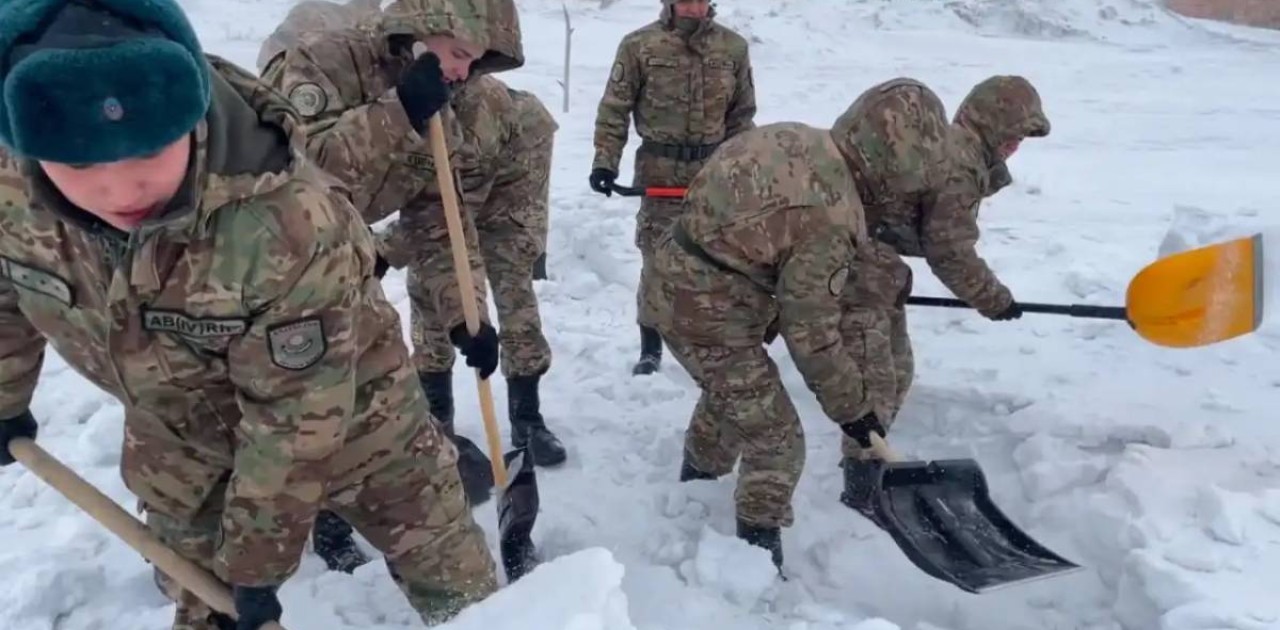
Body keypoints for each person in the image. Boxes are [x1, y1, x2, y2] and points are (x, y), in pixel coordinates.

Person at [0, 0, 498, 628]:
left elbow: (295, 419)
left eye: (151, 151)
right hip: (182, 442)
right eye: (79, 164)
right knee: (205, 605)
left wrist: (256, 567)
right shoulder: (10, 186)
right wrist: (5, 396)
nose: (121, 192)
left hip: (357, 420)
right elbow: (6, 288)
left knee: (457, 584)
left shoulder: (285, 222)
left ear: (192, 115)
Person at [259, 0, 567, 505]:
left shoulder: (443, 104)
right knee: (308, 388)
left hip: (345, 249)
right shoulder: (323, 62)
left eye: (475, 62)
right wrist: (397, 111)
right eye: (461, 53)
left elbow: (439, 218)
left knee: (370, 380)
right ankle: (317, 512)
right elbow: (297, 178)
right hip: (274, 253)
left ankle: (360, 490)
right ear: (422, 28)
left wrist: (465, 313)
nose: (463, 71)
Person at [641, 111, 885, 570]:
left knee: (734, 397)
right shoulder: (833, 215)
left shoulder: (804, 139)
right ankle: (755, 565)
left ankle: (695, 490)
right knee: (776, 439)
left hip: (675, 280)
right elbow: (811, 330)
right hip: (706, 313)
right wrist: (853, 409)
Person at [832, 76, 1050, 473]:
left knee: (897, 370)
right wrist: (994, 300)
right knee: (877, 383)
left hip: (873, 265)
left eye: (1024, 137)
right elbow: (948, 251)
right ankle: (861, 479)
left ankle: (865, 465)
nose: (1016, 145)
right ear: (990, 122)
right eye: (1013, 133)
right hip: (849, 261)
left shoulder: (957, 147)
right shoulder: (960, 165)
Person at [589, 0, 757, 376]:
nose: (694, 8)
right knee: (657, 258)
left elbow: (742, 115)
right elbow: (614, 108)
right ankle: (651, 346)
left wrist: (741, 167)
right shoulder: (639, 46)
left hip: (712, 170)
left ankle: (714, 338)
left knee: (720, 257)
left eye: (701, 0)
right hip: (658, 169)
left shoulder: (733, 48)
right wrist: (605, 160)